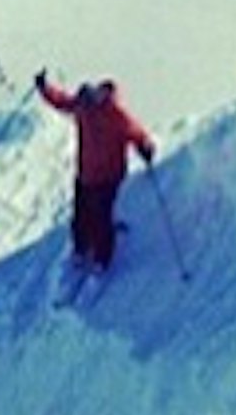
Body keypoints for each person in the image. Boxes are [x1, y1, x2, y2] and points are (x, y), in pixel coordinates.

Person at [35, 71, 156, 269]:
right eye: (83, 105)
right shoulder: (83, 108)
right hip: (86, 174)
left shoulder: (115, 114)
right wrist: (44, 88)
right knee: (81, 215)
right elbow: (63, 102)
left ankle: (102, 258)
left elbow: (135, 132)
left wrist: (145, 146)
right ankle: (81, 249)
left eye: (89, 104)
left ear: (100, 98)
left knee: (102, 217)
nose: (85, 109)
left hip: (108, 176)